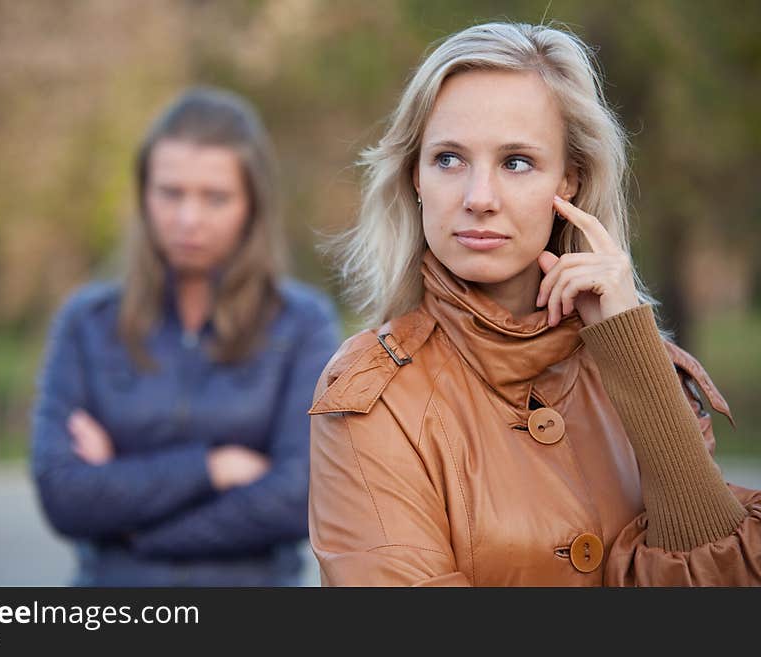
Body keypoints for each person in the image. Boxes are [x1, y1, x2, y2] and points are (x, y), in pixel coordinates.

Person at [308, 22, 760, 586]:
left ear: (569, 180)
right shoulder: (372, 397)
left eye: (516, 162)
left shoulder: (646, 371)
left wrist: (633, 355)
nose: (478, 199)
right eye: (449, 159)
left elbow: (723, 584)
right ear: (415, 176)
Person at [31, 87, 340, 586]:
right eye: (170, 193)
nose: (187, 219)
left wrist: (136, 527)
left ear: (252, 205)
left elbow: (298, 496)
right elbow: (64, 496)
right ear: (144, 195)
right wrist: (212, 468)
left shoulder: (302, 323)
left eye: (215, 198)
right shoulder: (87, 322)